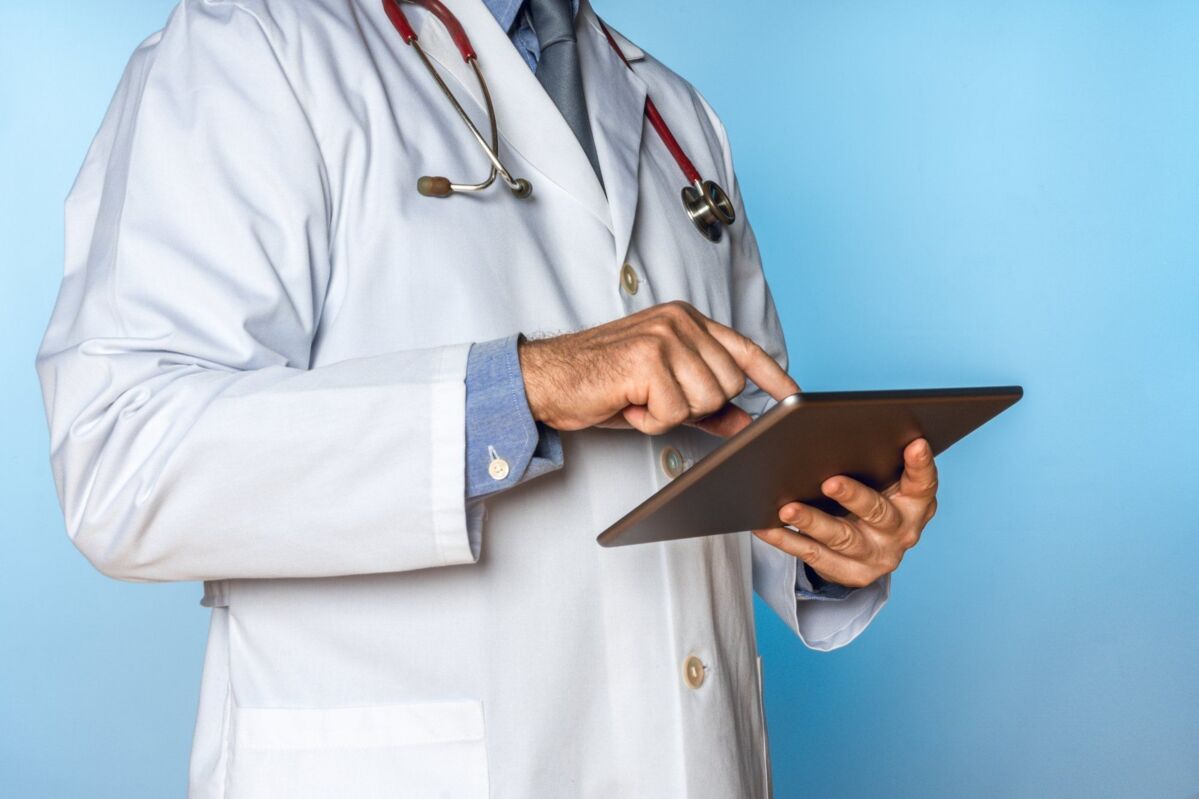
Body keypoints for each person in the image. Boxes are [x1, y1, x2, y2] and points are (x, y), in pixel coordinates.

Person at [36, 0, 939, 796]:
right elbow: (123, 455)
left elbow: (731, 440)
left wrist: (832, 538)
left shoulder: (673, 112)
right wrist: (527, 387)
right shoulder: (254, 45)